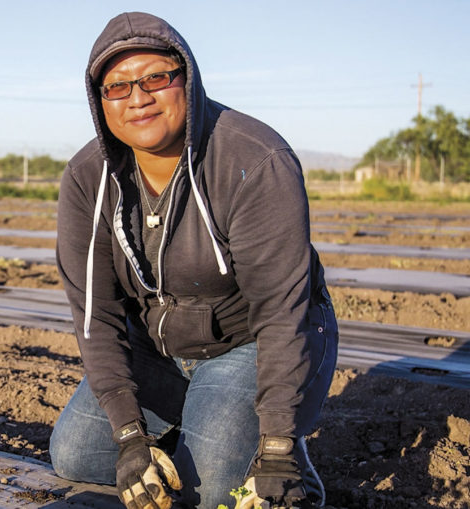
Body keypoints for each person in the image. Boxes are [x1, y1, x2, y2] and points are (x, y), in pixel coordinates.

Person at [50, 11, 339, 509]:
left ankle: (265, 448)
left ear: (187, 76)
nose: (137, 98)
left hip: (246, 343)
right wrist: (129, 439)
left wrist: (278, 446)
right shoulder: (86, 179)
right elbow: (96, 316)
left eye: (155, 78)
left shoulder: (253, 160)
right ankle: (196, 433)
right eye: (117, 87)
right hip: (159, 351)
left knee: (209, 491)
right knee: (73, 454)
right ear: (100, 103)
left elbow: (280, 313)